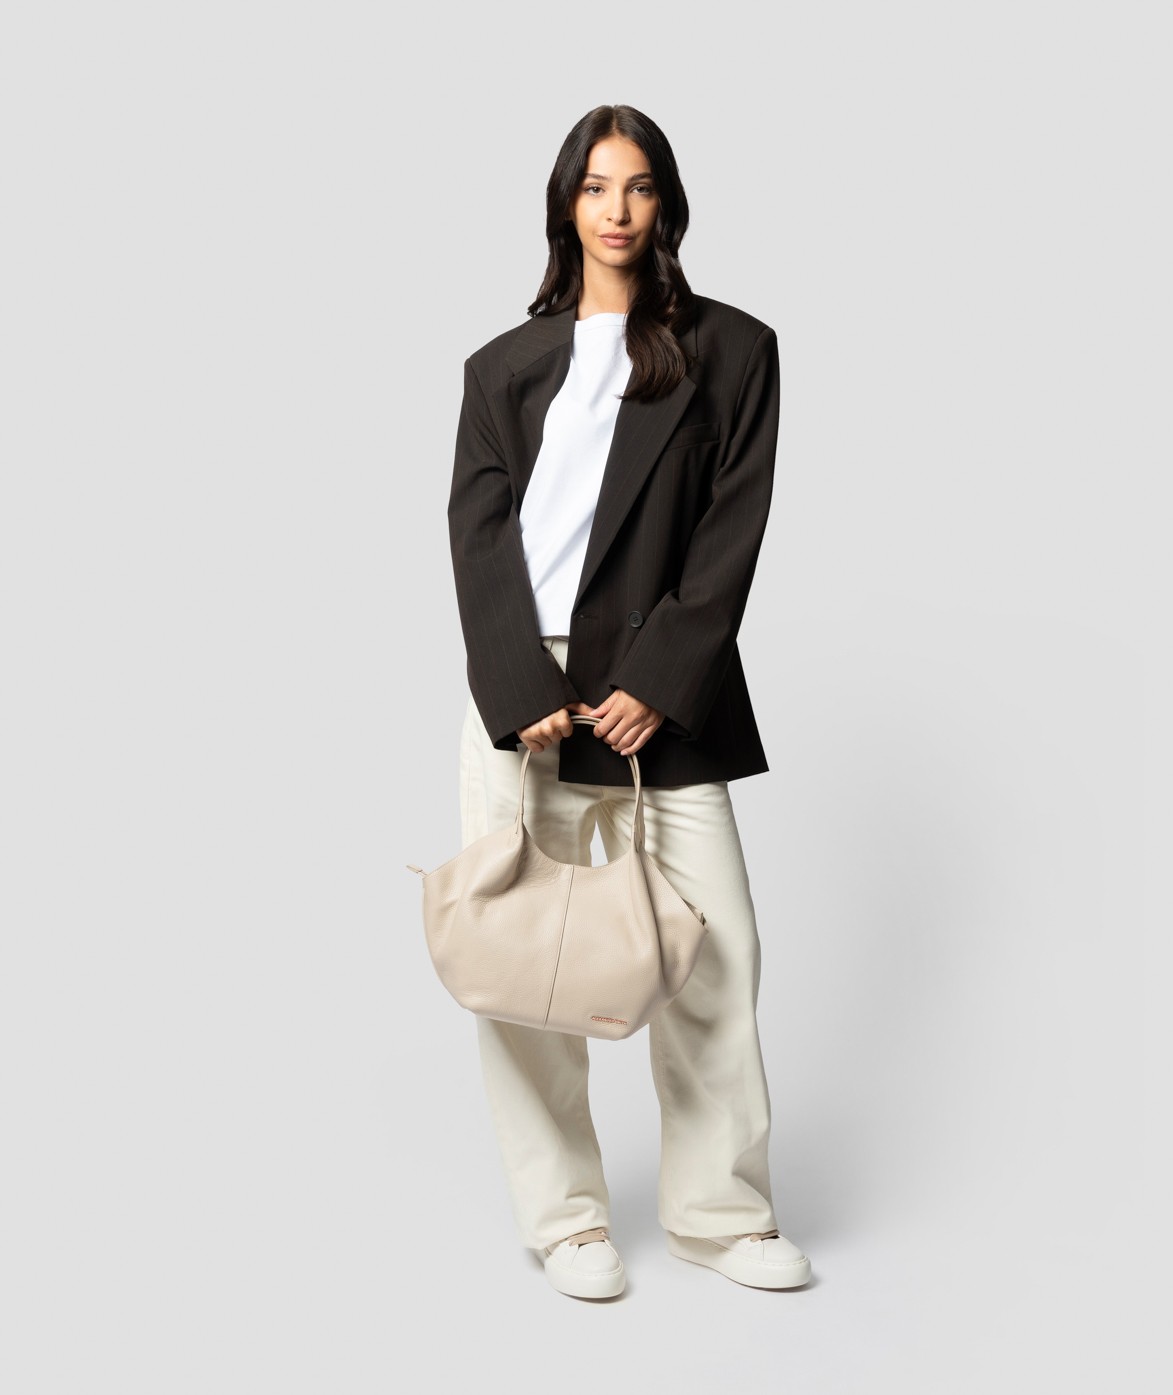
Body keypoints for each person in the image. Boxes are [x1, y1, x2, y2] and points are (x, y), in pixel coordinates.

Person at [447, 103, 811, 1299]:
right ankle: (565, 1221)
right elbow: (479, 537)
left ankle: (719, 1213)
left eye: (640, 185)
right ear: (567, 204)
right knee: (523, 960)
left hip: (659, 681)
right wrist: (519, 687)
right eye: (596, 186)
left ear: (666, 203)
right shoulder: (501, 367)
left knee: (716, 950)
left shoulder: (734, 350)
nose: (617, 209)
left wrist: (657, 679)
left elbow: (731, 534)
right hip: (530, 690)